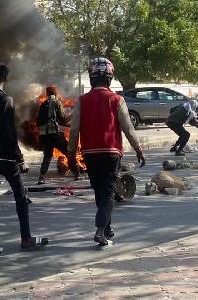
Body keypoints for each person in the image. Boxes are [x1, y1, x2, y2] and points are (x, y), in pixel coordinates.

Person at [68, 57, 146, 246]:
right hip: (111, 153)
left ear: (92, 77)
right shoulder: (117, 99)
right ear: (110, 78)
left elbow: (74, 130)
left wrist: (71, 155)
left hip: (90, 153)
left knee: (99, 191)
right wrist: (138, 149)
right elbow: (128, 128)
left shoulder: (82, 101)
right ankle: (101, 230)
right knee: (109, 192)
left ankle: (107, 228)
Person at [0, 63, 47, 257]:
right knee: (20, 196)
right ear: (5, 79)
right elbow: (9, 132)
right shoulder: (6, 100)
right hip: (6, 158)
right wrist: (20, 159)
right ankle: (26, 239)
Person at [37, 85, 77, 184]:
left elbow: (43, 121)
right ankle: (76, 173)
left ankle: (41, 177)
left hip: (45, 136)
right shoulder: (57, 102)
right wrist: (73, 116)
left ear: (47, 94)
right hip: (55, 135)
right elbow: (63, 119)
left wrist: (67, 125)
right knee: (68, 152)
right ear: (55, 93)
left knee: (47, 156)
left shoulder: (43, 104)